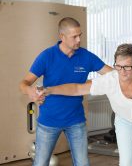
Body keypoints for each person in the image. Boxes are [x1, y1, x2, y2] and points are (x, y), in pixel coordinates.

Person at [19, 17, 112, 166]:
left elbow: (111, 74)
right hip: (49, 121)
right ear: (62, 36)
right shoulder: (47, 56)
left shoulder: (86, 56)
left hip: (76, 120)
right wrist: (30, 91)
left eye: (80, 35)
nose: (78, 40)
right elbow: (24, 83)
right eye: (74, 36)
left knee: (83, 163)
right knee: (40, 163)